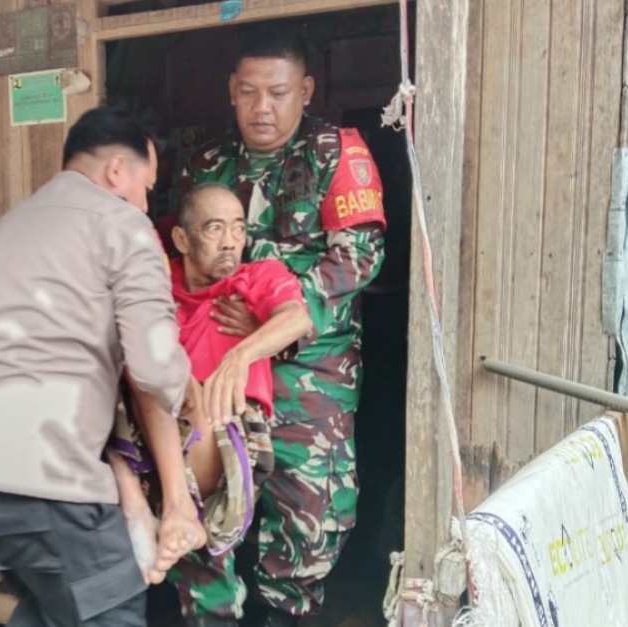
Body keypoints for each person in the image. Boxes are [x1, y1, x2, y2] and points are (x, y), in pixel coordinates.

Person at [0, 105, 206, 627]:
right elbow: (153, 364)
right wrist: (186, 387)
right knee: (110, 606)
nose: (147, 203)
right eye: (147, 186)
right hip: (38, 471)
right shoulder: (124, 225)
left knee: (57, 605)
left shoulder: (11, 225)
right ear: (116, 171)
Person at [171, 26, 388, 627]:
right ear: (231, 91)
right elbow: (184, 257)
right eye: (248, 92)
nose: (261, 107)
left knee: (309, 512)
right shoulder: (208, 164)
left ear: (306, 91)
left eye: (278, 92)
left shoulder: (337, 153)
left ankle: (287, 612)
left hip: (309, 371)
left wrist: (271, 321)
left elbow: (357, 258)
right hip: (217, 364)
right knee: (206, 490)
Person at [108, 184, 312, 587]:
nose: (231, 242)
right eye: (215, 229)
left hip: (226, 434)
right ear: (182, 239)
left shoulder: (258, 276)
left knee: (160, 367)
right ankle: (141, 500)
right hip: (146, 429)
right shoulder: (157, 279)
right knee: (131, 355)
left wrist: (239, 357)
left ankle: (166, 506)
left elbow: (296, 318)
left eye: (239, 228)